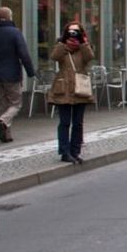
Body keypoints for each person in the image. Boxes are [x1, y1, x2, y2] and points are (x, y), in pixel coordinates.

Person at [48, 23, 95, 164]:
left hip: (80, 89)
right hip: (64, 89)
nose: (73, 34)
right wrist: (63, 41)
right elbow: (54, 57)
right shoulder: (62, 47)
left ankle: (75, 151)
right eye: (71, 32)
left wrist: (83, 42)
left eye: (76, 32)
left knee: (78, 123)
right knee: (64, 122)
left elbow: (90, 57)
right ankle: (64, 152)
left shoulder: (83, 48)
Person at [0, 7, 36, 142]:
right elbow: (23, 54)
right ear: (9, 17)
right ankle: (2, 120)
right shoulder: (15, 33)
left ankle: (6, 135)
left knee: (3, 105)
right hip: (11, 75)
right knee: (15, 104)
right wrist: (30, 72)